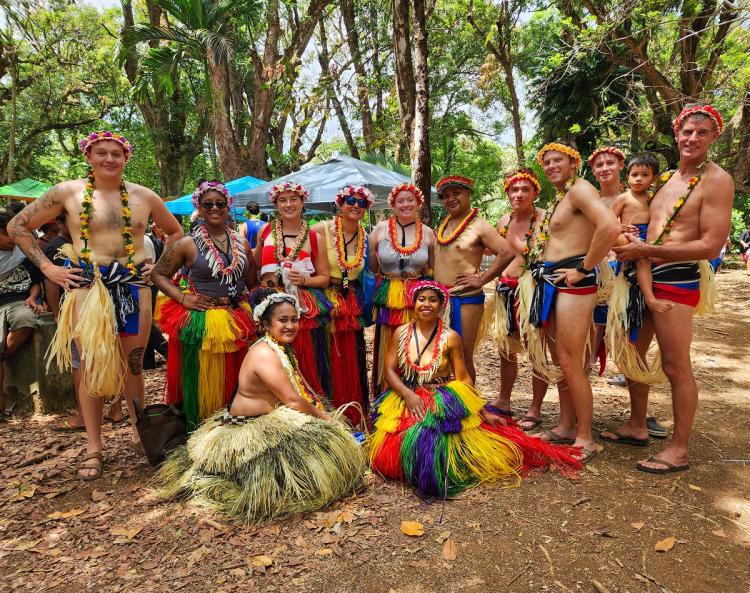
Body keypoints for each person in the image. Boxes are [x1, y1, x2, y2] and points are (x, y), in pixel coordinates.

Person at [7, 130, 183, 480]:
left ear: (125, 158)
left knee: (134, 364)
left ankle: (140, 434)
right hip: (88, 288)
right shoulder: (67, 193)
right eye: (101, 153)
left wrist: (159, 268)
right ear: (89, 156)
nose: (109, 159)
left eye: (116, 153)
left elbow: (175, 233)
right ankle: (94, 446)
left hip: (133, 287)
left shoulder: (143, 196)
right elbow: (18, 225)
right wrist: (48, 268)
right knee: (87, 366)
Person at [155, 290, 366, 524]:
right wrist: (327, 419)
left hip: (270, 420)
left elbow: (299, 391)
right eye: (282, 320)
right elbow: (294, 401)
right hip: (248, 429)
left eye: (294, 320)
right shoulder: (265, 353)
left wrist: (318, 409)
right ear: (266, 324)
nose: (290, 326)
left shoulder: (279, 347)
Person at [369, 281, 581, 498]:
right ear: (413, 303)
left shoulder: (450, 337)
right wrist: (409, 395)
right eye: (421, 299)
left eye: (433, 300)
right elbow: (389, 371)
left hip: (440, 398)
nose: (426, 304)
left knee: (429, 441)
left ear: (441, 305)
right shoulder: (401, 333)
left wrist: (483, 412)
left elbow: (464, 380)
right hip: (407, 395)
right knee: (397, 447)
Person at [609, 104, 733, 474]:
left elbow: (711, 245)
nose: (692, 138)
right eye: (687, 131)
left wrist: (647, 249)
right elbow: (650, 225)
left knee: (676, 366)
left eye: (702, 132)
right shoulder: (667, 181)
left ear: (714, 137)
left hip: (676, 281)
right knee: (632, 356)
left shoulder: (716, 180)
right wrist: (632, 237)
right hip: (641, 277)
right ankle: (637, 424)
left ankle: (678, 449)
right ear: (676, 134)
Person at [517, 142, 620, 463]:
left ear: (574, 164)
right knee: (560, 358)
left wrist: (584, 268)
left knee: (571, 360)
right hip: (552, 282)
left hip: (574, 282)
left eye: (557, 160)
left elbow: (610, 226)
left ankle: (586, 438)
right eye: (545, 162)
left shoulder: (580, 190)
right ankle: (565, 425)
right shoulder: (563, 196)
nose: (550, 166)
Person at [153, 181, 256, 432]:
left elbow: (252, 280)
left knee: (238, 378)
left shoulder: (241, 242)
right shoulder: (187, 243)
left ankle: (238, 430)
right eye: (207, 204)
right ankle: (205, 432)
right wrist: (182, 297)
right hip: (204, 321)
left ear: (228, 206)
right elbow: (158, 275)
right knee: (205, 382)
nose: (214, 208)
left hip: (237, 318)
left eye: (220, 204)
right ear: (198, 207)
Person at [44, 213, 124, 431]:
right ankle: (103, 412)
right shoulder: (59, 247)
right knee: (89, 361)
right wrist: (57, 313)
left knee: (93, 361)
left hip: (101, 308)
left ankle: (97, 413)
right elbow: (51, 282)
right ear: (61, 223)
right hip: (79, 310)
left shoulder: (88, 244)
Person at [432, 176, 515, 381]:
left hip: (465, 299)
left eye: (456, 193)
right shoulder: (445, 224)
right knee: (439, 355)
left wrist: (482, 279)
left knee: (461, 355)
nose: (451, 199)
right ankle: (446, 404)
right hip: (440, 299)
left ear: (468, 194)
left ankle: (468, 408)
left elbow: (506, 252)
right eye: (446, 195)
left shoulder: (479, 225)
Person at [484, 169, 548, 431]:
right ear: (507, 193)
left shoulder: (544, 219)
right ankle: (504, 399)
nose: (519, 194)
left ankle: (535, 408)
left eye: (525, 189)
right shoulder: (503, 220)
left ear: (534, 192)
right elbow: (495, 250)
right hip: (504, 290)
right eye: (514, 190)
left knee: (536, 350)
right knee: (505, 349)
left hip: (531, 290)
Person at [254, 182, 331, 396]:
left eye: (293, 199)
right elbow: (255, 266)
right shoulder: (265, 231)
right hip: (268, 306)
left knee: (303, 361)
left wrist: (304, 280)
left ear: (302, 202)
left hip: (302, 310)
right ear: (276, 204)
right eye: (282, 200)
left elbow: (324, 278)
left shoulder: (315, 237)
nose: (288, 204)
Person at [311, 185, 372, 425]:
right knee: (326, 354)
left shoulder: (365, 236)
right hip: (326, 300)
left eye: (361, 203)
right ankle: (327, 413)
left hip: (351, 301)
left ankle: (352, 411)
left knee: (350, 357)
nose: (355, 206)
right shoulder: (320, 229)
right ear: (340, 203)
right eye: (350, 200)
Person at [369, 183, 435, 393]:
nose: (406, 204)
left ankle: (416, 393)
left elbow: (433, 269)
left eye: (410, 200)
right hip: (389, 297)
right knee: (388, 345)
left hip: (417, 298)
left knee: (415, 343)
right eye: (400, 201)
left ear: (418, 203)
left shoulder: (428, 233)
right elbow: (371, 268)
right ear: (393, 204)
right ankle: (386, 394)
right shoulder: (379, 229)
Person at [0, 212, 45, 414]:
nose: (11, 239)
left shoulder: (23, 252)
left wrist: (33, 297)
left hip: (20, 301)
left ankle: (2, 356)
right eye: (5, 234)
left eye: (13, 234)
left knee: (25, 318)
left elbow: (36, 282)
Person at [588, 146, 625, 372]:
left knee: (622, 315)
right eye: (599, 165)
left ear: (621, 165)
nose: (604, 169)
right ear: (592, 170)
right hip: (596, 266)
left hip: (624, 264)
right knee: (594, 319)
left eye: (610, 163)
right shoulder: (590, 201)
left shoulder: (634, 197)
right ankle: (590, 358)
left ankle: (623, 361)